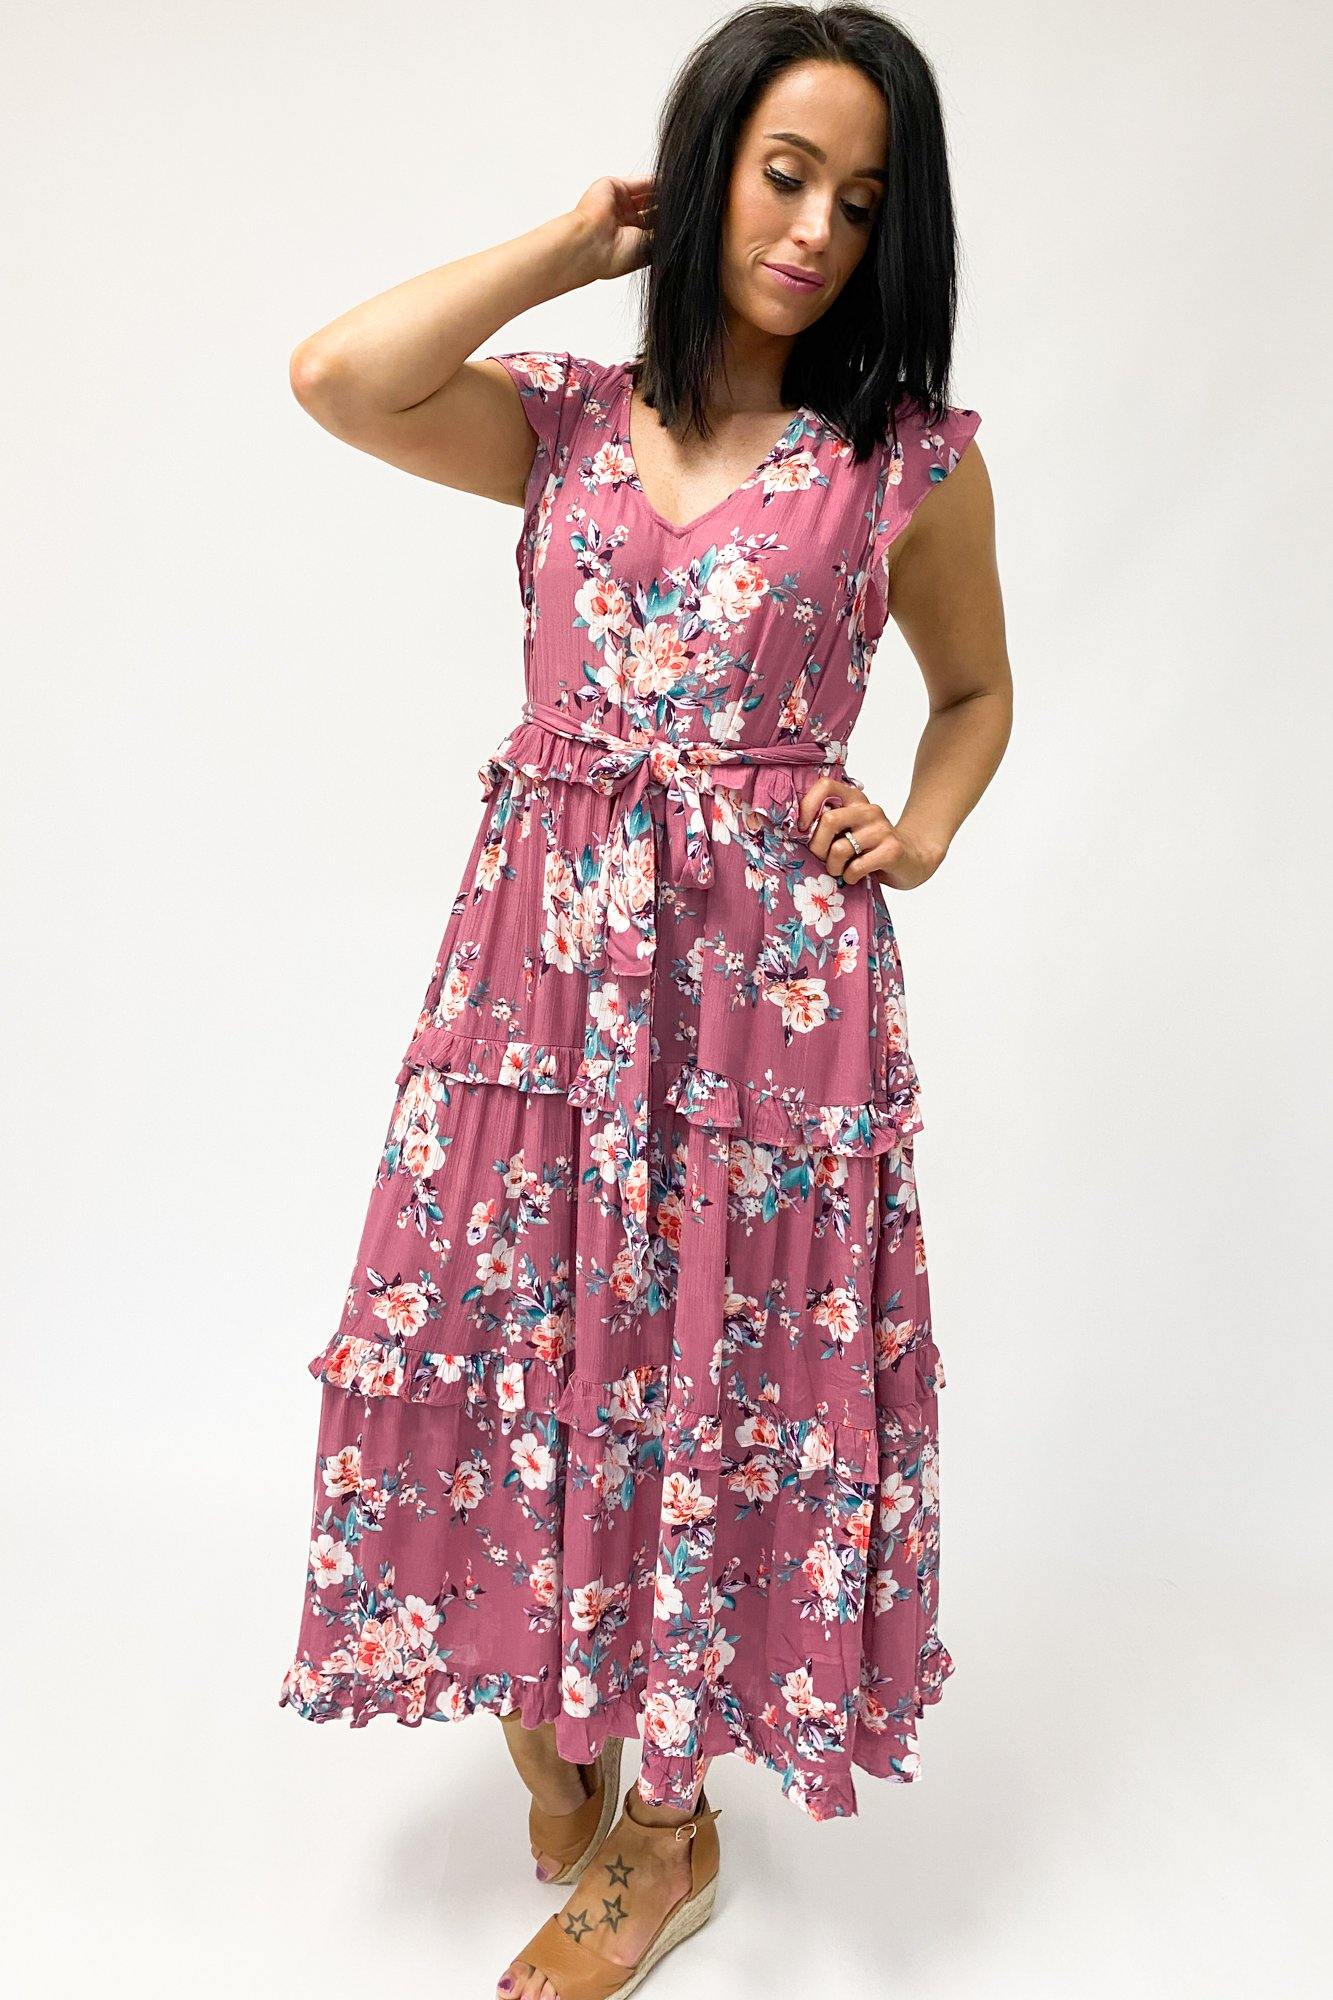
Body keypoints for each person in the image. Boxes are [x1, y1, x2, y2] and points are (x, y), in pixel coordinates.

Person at [278, 5, 1010, 1994]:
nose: (815, 231)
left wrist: (921, 829)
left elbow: (972, 692)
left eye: (861, 201)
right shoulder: (565, 422)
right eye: (782, 174)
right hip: (541, 964)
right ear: (705, 176)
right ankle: (560, 1685)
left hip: (768, 992)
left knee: (714, 1370)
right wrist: (571, 242)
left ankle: (668, 1828)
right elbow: (338, 376)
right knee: (517, 1318)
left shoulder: (901, 463)